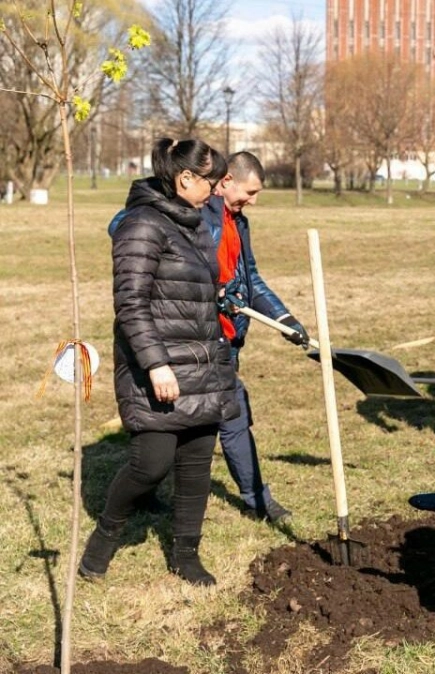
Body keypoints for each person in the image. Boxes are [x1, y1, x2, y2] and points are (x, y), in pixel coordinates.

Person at [80, 138, 239, 586]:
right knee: (151, 464)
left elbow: (183, 287)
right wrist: (155, 364)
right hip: (160, 367)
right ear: (184, 178)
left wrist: (215, 297)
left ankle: (186, 554)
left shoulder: (190, 222)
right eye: (212, 179)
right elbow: (131, 303)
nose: (216, 188)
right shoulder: (142, 225)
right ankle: (103, 539)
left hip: (201, 362)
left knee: (195, 464)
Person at [201, 152, 306, 524]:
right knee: (218, 419)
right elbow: (124, 225)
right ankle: (258, 500)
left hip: (228, 341)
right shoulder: (196, 213)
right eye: (251, 191)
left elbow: (252, 279)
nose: (254, 200)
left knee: (226, 418)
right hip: (197, 342)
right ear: (225, 180)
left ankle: (256, 498)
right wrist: (211, 289)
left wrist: (285, 319)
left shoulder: (237, 222)